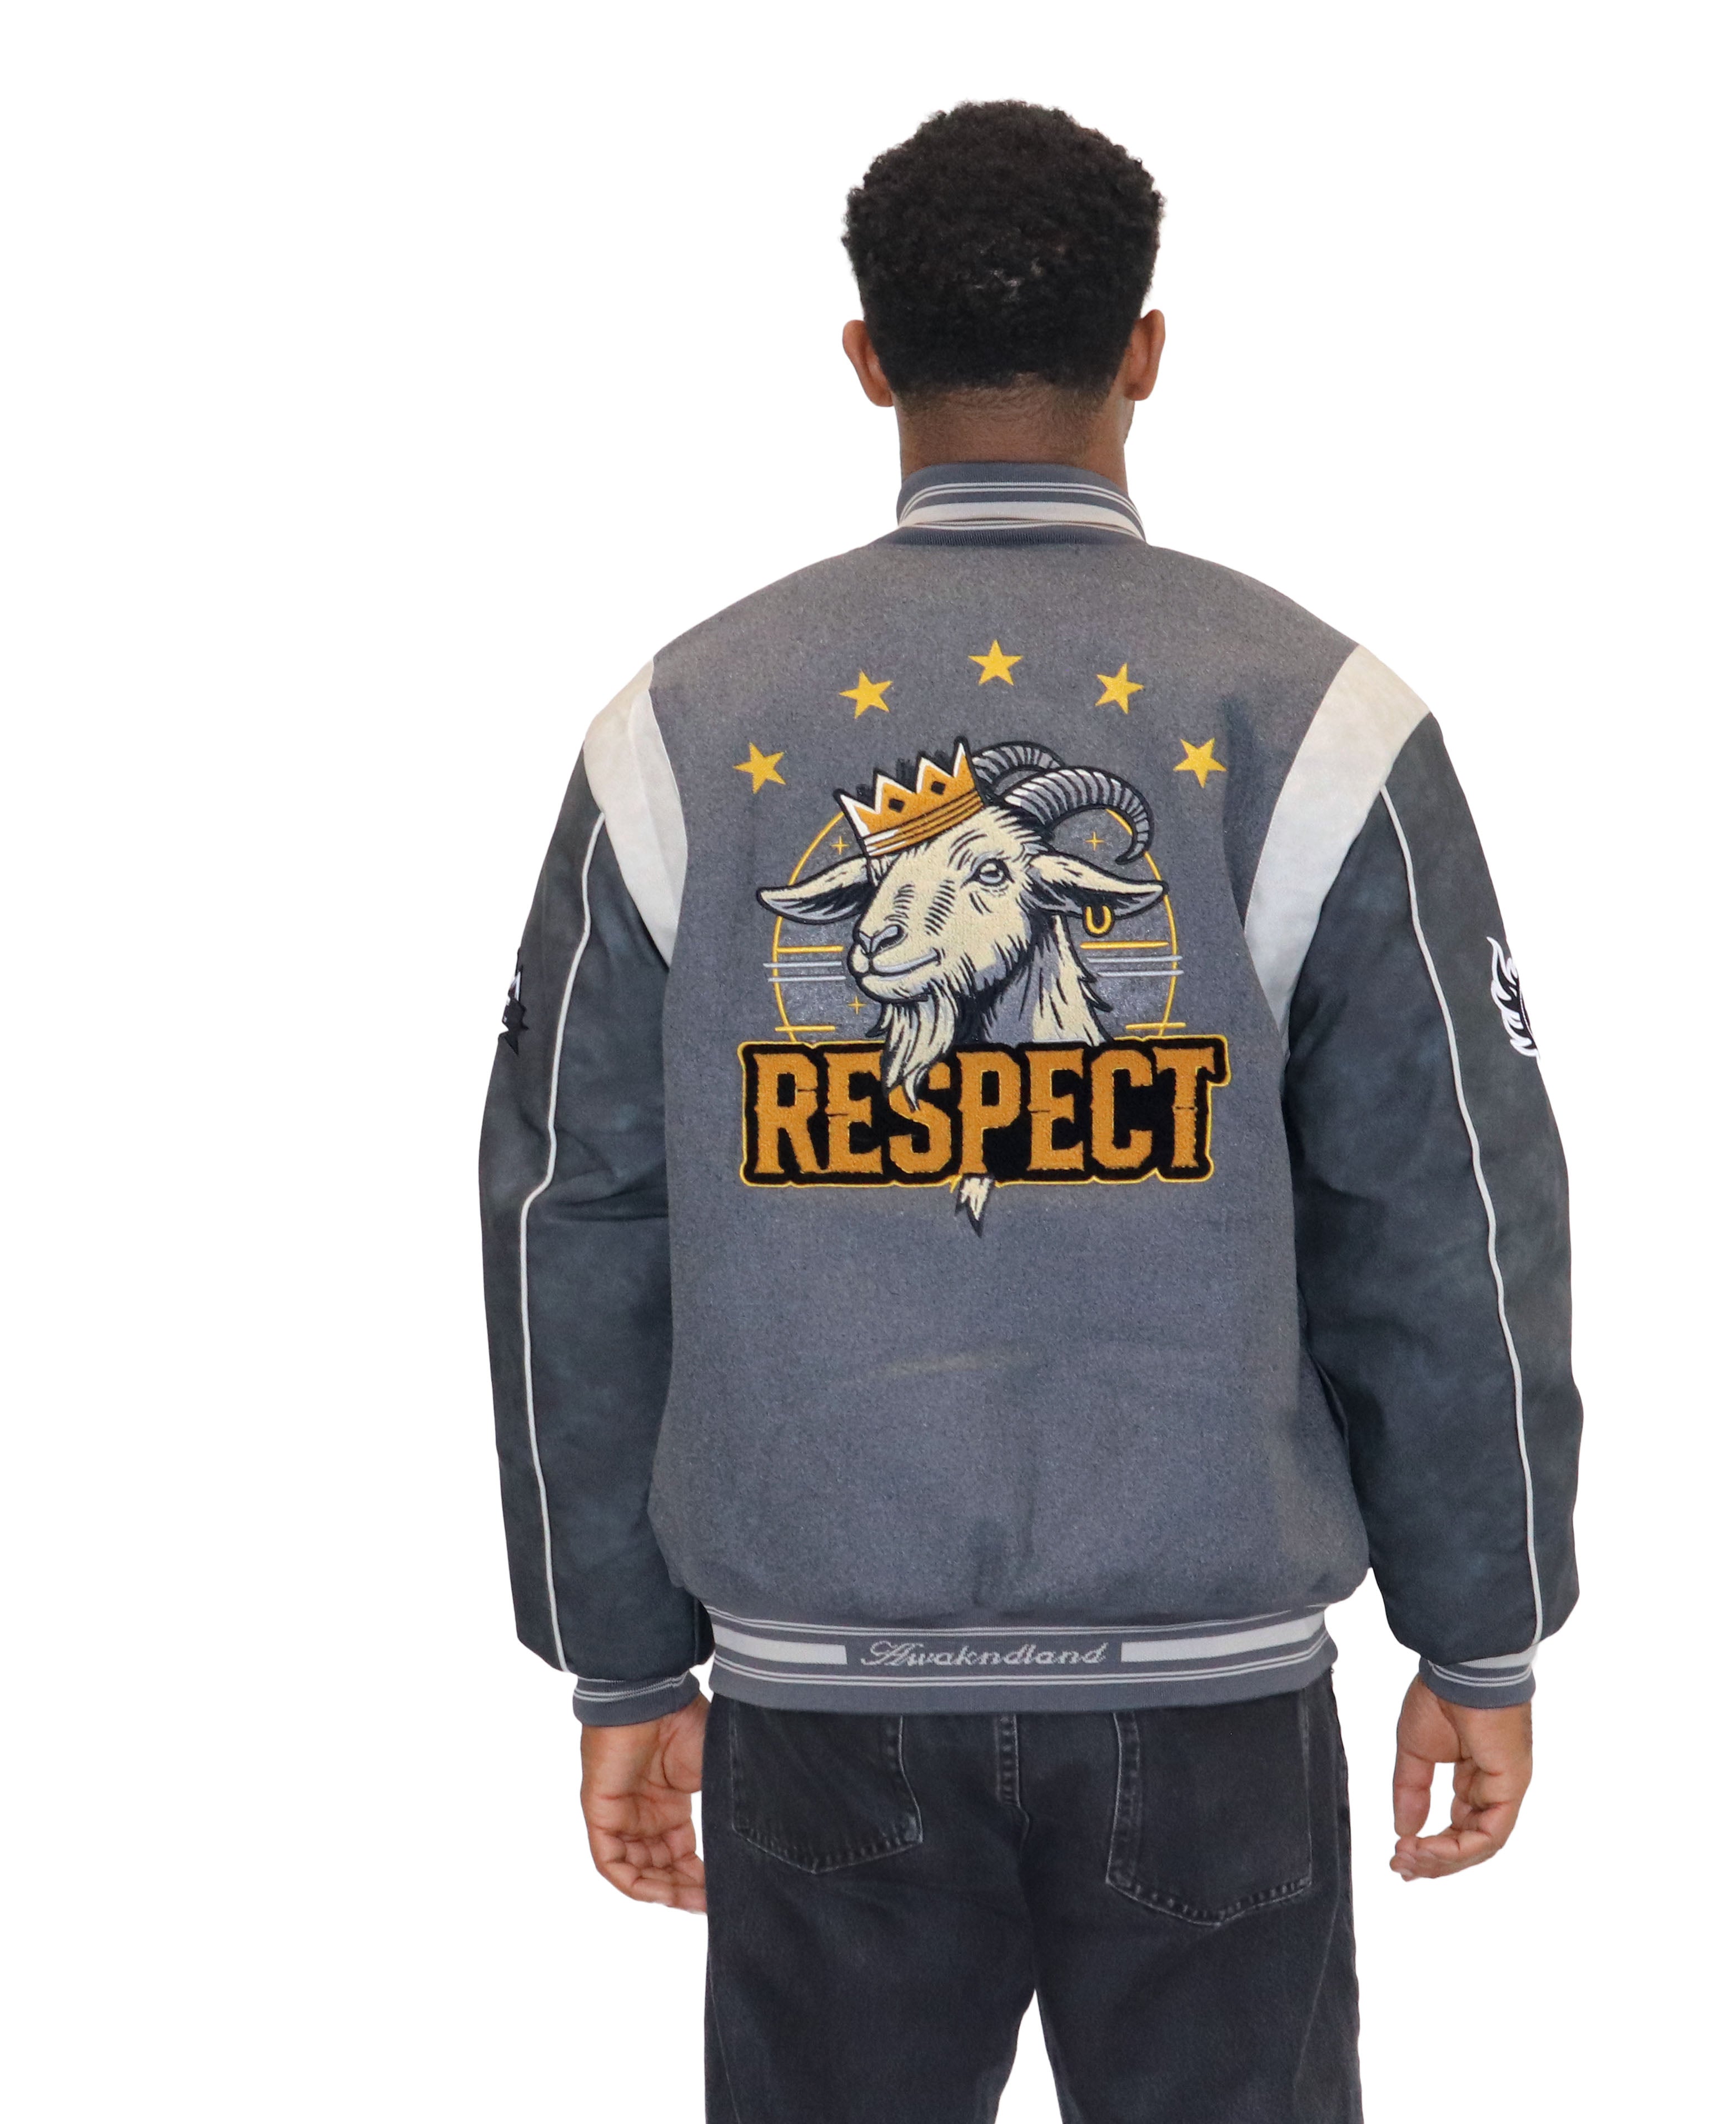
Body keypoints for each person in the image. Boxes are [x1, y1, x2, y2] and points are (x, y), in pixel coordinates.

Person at [480, 99, 1580, 2123]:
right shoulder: (1317, 716)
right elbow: (1448, 1212)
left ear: (866, 358)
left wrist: (620, 1659)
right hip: (1212, 1707)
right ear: (1144, 350)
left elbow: (572, 1212)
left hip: (823, 1706)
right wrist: (1483, 1631)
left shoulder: (682, 728)